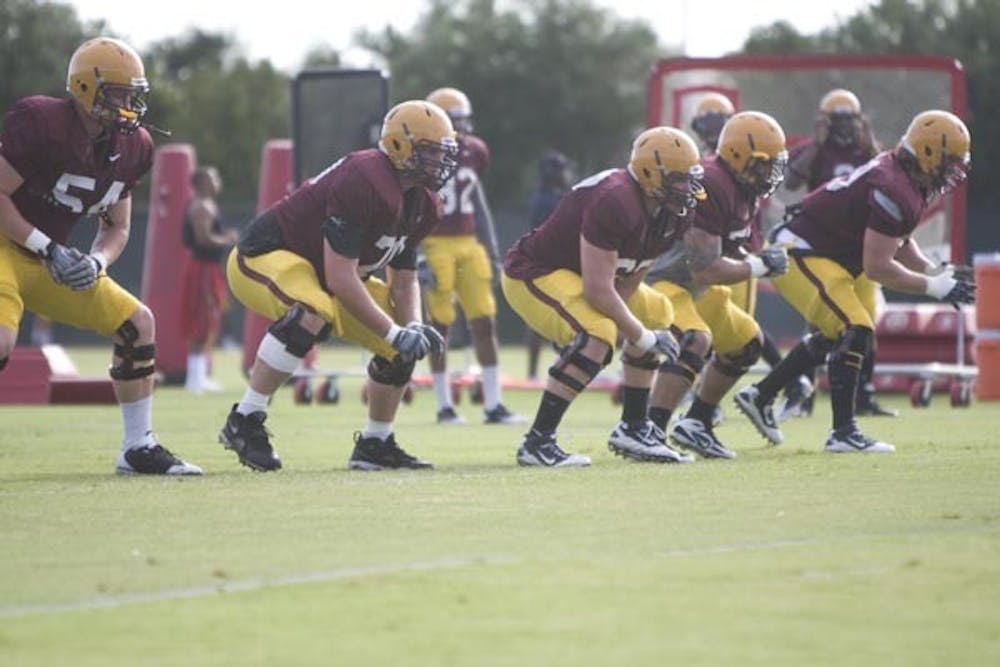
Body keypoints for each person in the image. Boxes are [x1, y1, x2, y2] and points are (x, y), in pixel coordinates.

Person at [218, 100, 458, 472]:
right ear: (400, 146)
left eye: (442, 153)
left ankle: (375, 443)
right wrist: (394, 332)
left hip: (327, 277)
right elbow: (340, 277)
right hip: (264, 256)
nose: (438, 162)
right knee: (314, 310)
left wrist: (410, 325)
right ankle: (245, 419)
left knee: (403, 347)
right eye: (429, 152)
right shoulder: (365, 177)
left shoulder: (424, 205)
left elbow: (404, 277)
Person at [0, 37, 201, 475]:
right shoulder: (41, 121)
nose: (130, 105)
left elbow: (118, 226)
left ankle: (137, 447)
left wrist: (96, 262)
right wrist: (47, 246)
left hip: (47, 259)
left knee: (137, 323)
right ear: (86, 89)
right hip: (6, 247)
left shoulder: (135, 146)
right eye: (119, 94)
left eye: (134, 95)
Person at [736, 110, 974, 453]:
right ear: (927, 153)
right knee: (855, 326)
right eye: (949, 160)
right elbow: (877, 267)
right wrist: (933, 287)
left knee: (838, 332)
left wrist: (932, 270)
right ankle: (843, 433)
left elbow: (898, 238)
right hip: (800, 252)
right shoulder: (895, 186)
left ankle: (761, 394)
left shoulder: (904, 177)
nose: (954, 170)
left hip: (822, 254)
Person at [502, 126, 706, 467]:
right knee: (599, 334)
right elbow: (598, 289)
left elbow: (632, 273)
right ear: (649, 174)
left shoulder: (675, 212)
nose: (687, 188)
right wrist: (638, 337)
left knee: (657, 311)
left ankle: (634, 427)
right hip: (536, 272)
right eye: (678, 179)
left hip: (590, 276)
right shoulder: (616, 199)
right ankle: (537, 442)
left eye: (690, 178)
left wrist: (638, 331)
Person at [646, 111, 790, 460]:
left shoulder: (743, 188)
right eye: (763, 163)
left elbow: (727, 246)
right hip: (659, 280)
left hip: (690, 286)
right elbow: (704, 268)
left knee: (746, 344)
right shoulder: (712, 184)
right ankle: (648, 431)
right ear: (740, 157)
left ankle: (696, 422)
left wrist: (750, 257)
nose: (770, 172)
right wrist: (758, 265)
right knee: (696, 340)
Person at [419, 87, 525, 425]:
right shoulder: (420, 156)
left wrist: (492, 251)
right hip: (435, 243)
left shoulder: (476, 151)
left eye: (464, 122)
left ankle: (494, 405)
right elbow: (410, 208)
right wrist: (418, 254)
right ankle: (443, 405)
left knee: (484, 320)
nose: (462, 130)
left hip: (468, 241)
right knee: (439, 325)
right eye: (455, 122)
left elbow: (478, 203)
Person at [783, 88, 889, 418]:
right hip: (823, 245)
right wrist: (815, 144)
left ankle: (863, 396)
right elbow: (790, 182)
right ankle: (806, 395)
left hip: (860, 247)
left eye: (849, 119)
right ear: (824, 121)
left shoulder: (867, 150)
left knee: (865, 320)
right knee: (821, 323)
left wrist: (870, 141)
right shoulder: (815, 149)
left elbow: (886, 172)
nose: (843, 126)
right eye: (837, 119)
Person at [181, 166, 238, 393]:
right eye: (213, 177)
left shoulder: (208, 205)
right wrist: (227, 239)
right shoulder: (202, 206)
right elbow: (203, 238)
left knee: (210, 321)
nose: (217, 181)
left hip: (210, 269)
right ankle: (194, 379)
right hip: (202, 269)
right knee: (201, 321)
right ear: (203, 183)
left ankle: (200, 376)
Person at [525, 150, 571, 380]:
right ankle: (536, 373)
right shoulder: (546, 200)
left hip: (558, 263)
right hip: (549, 264)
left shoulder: (557, 196)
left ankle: (552, 368)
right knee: (545, 321)